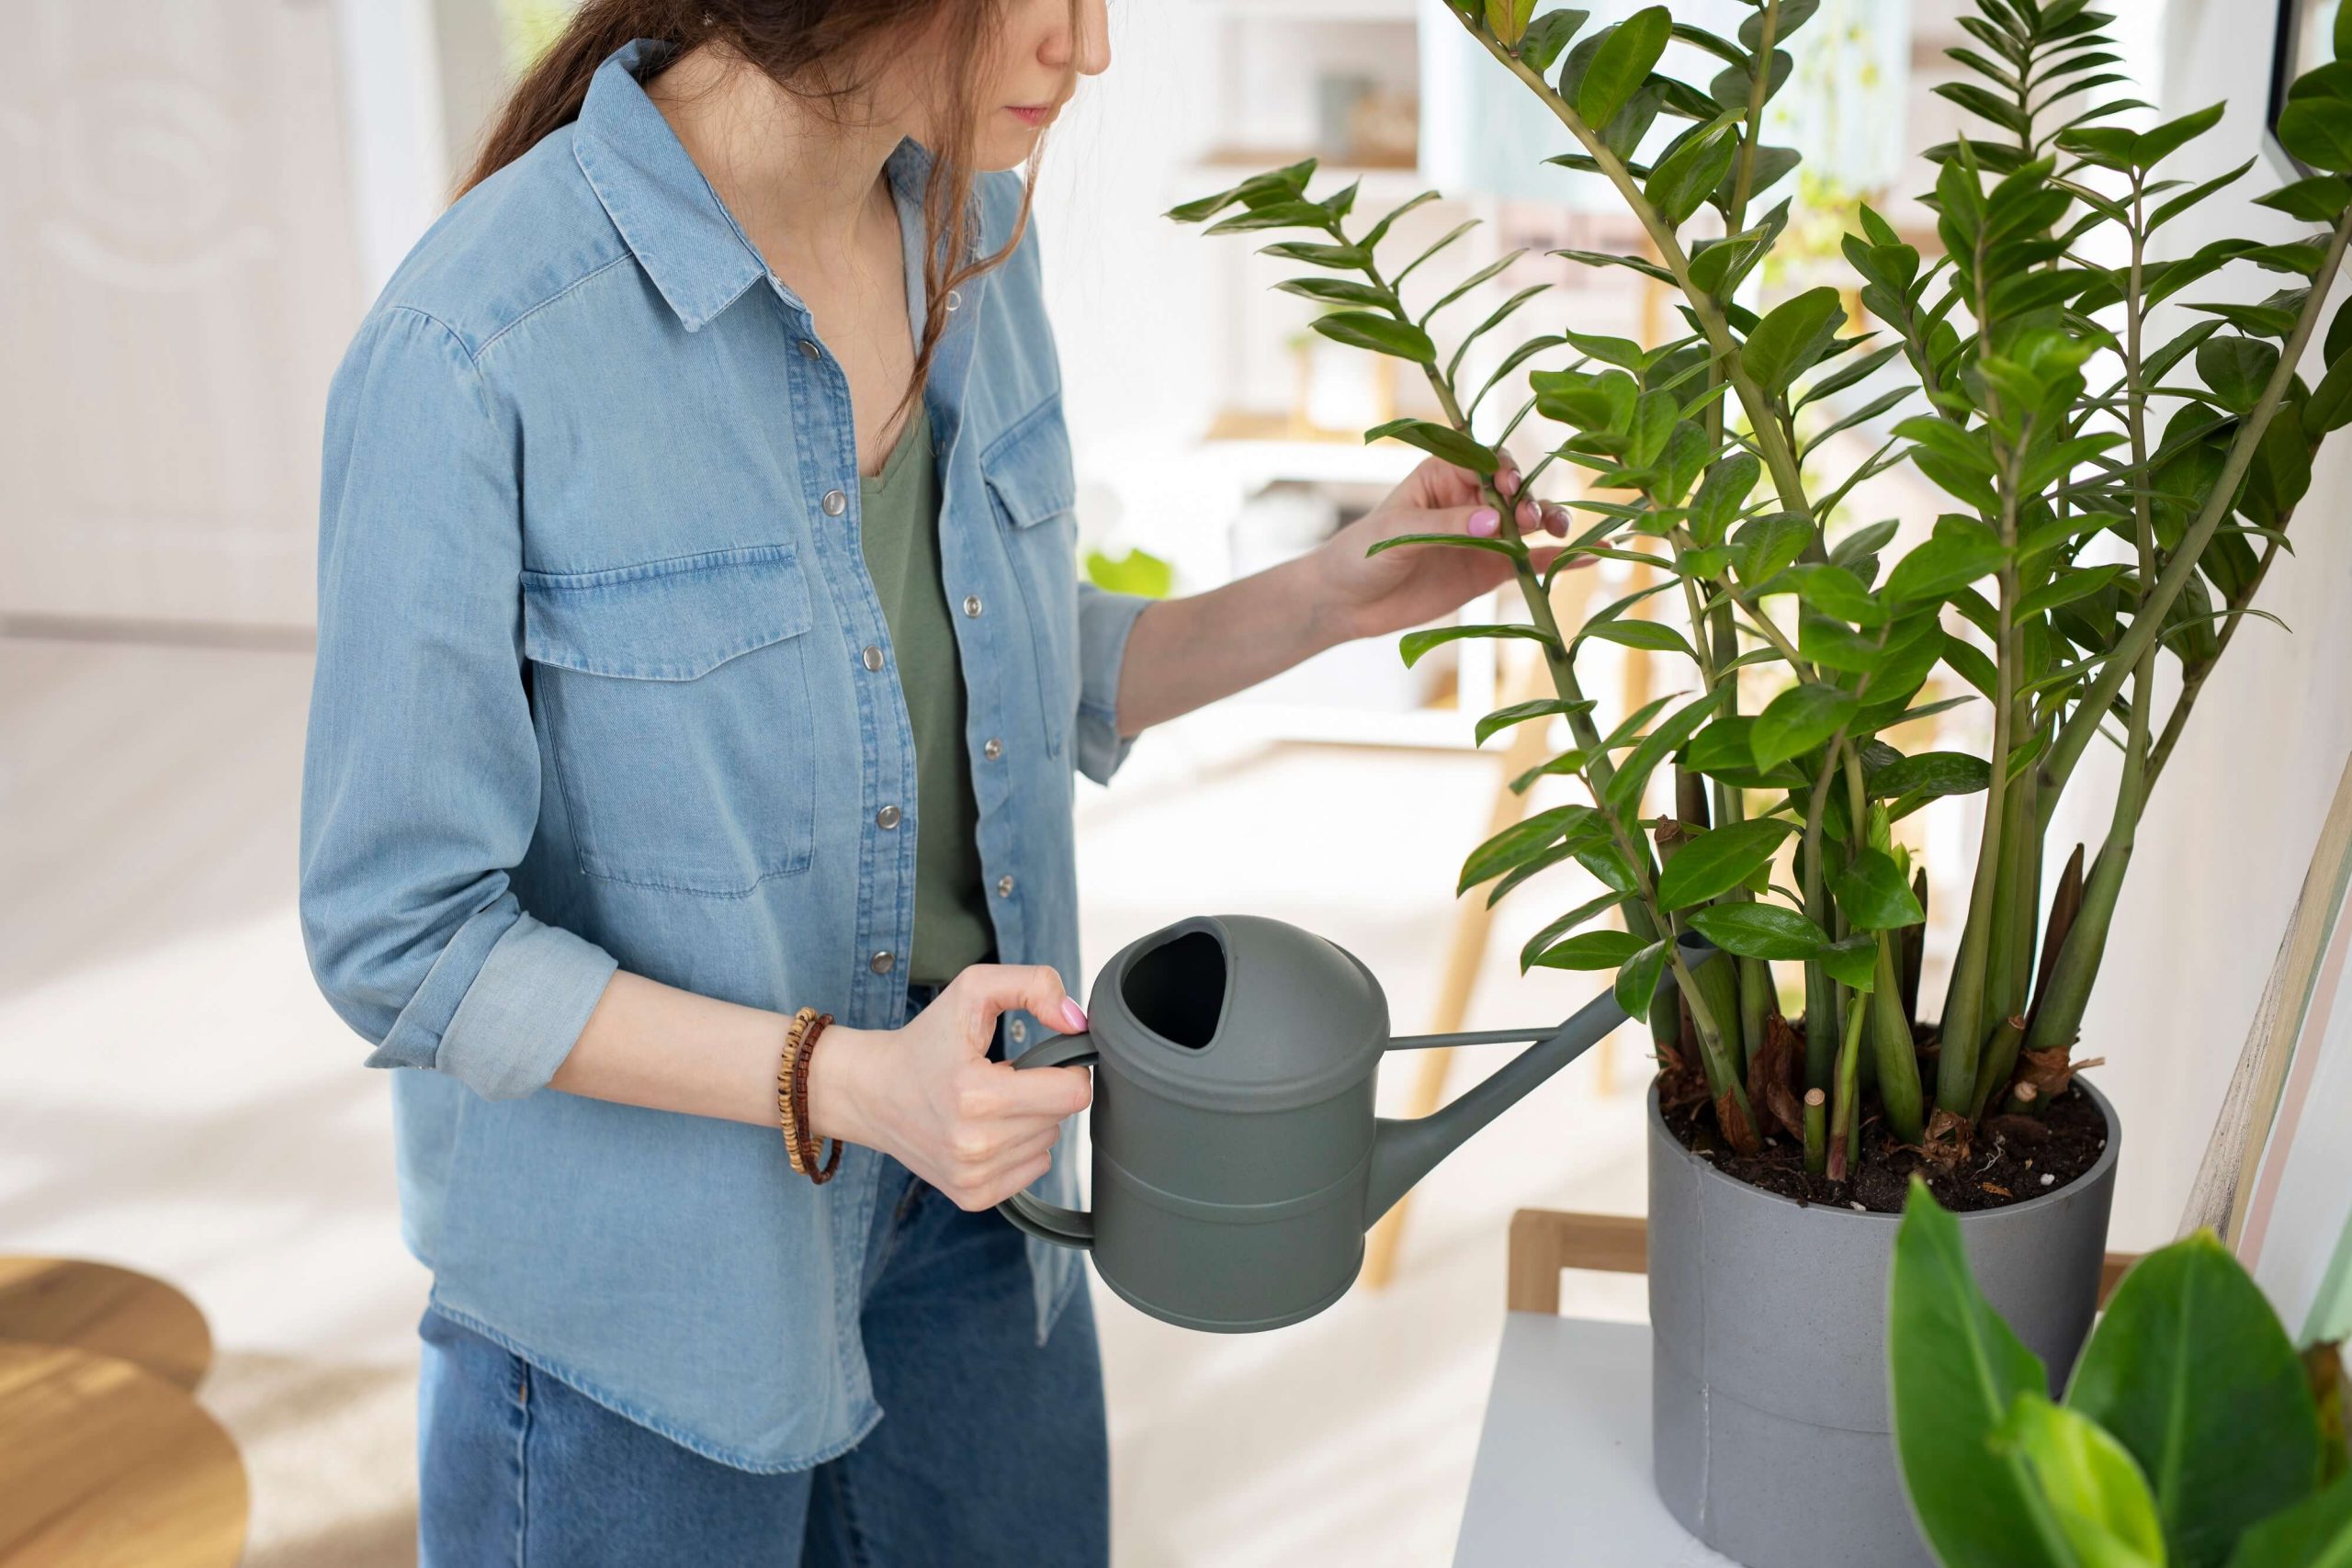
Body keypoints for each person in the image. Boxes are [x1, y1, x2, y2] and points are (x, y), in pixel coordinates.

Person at [299, 1, 1573, 1562]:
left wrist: (1332, 592)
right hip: (650, 1321)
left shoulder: (967, 235)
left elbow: (990, 669)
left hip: (984, 1209)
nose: (1089, 51)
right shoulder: (476, 348)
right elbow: (401, 935)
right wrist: (848, 1083)